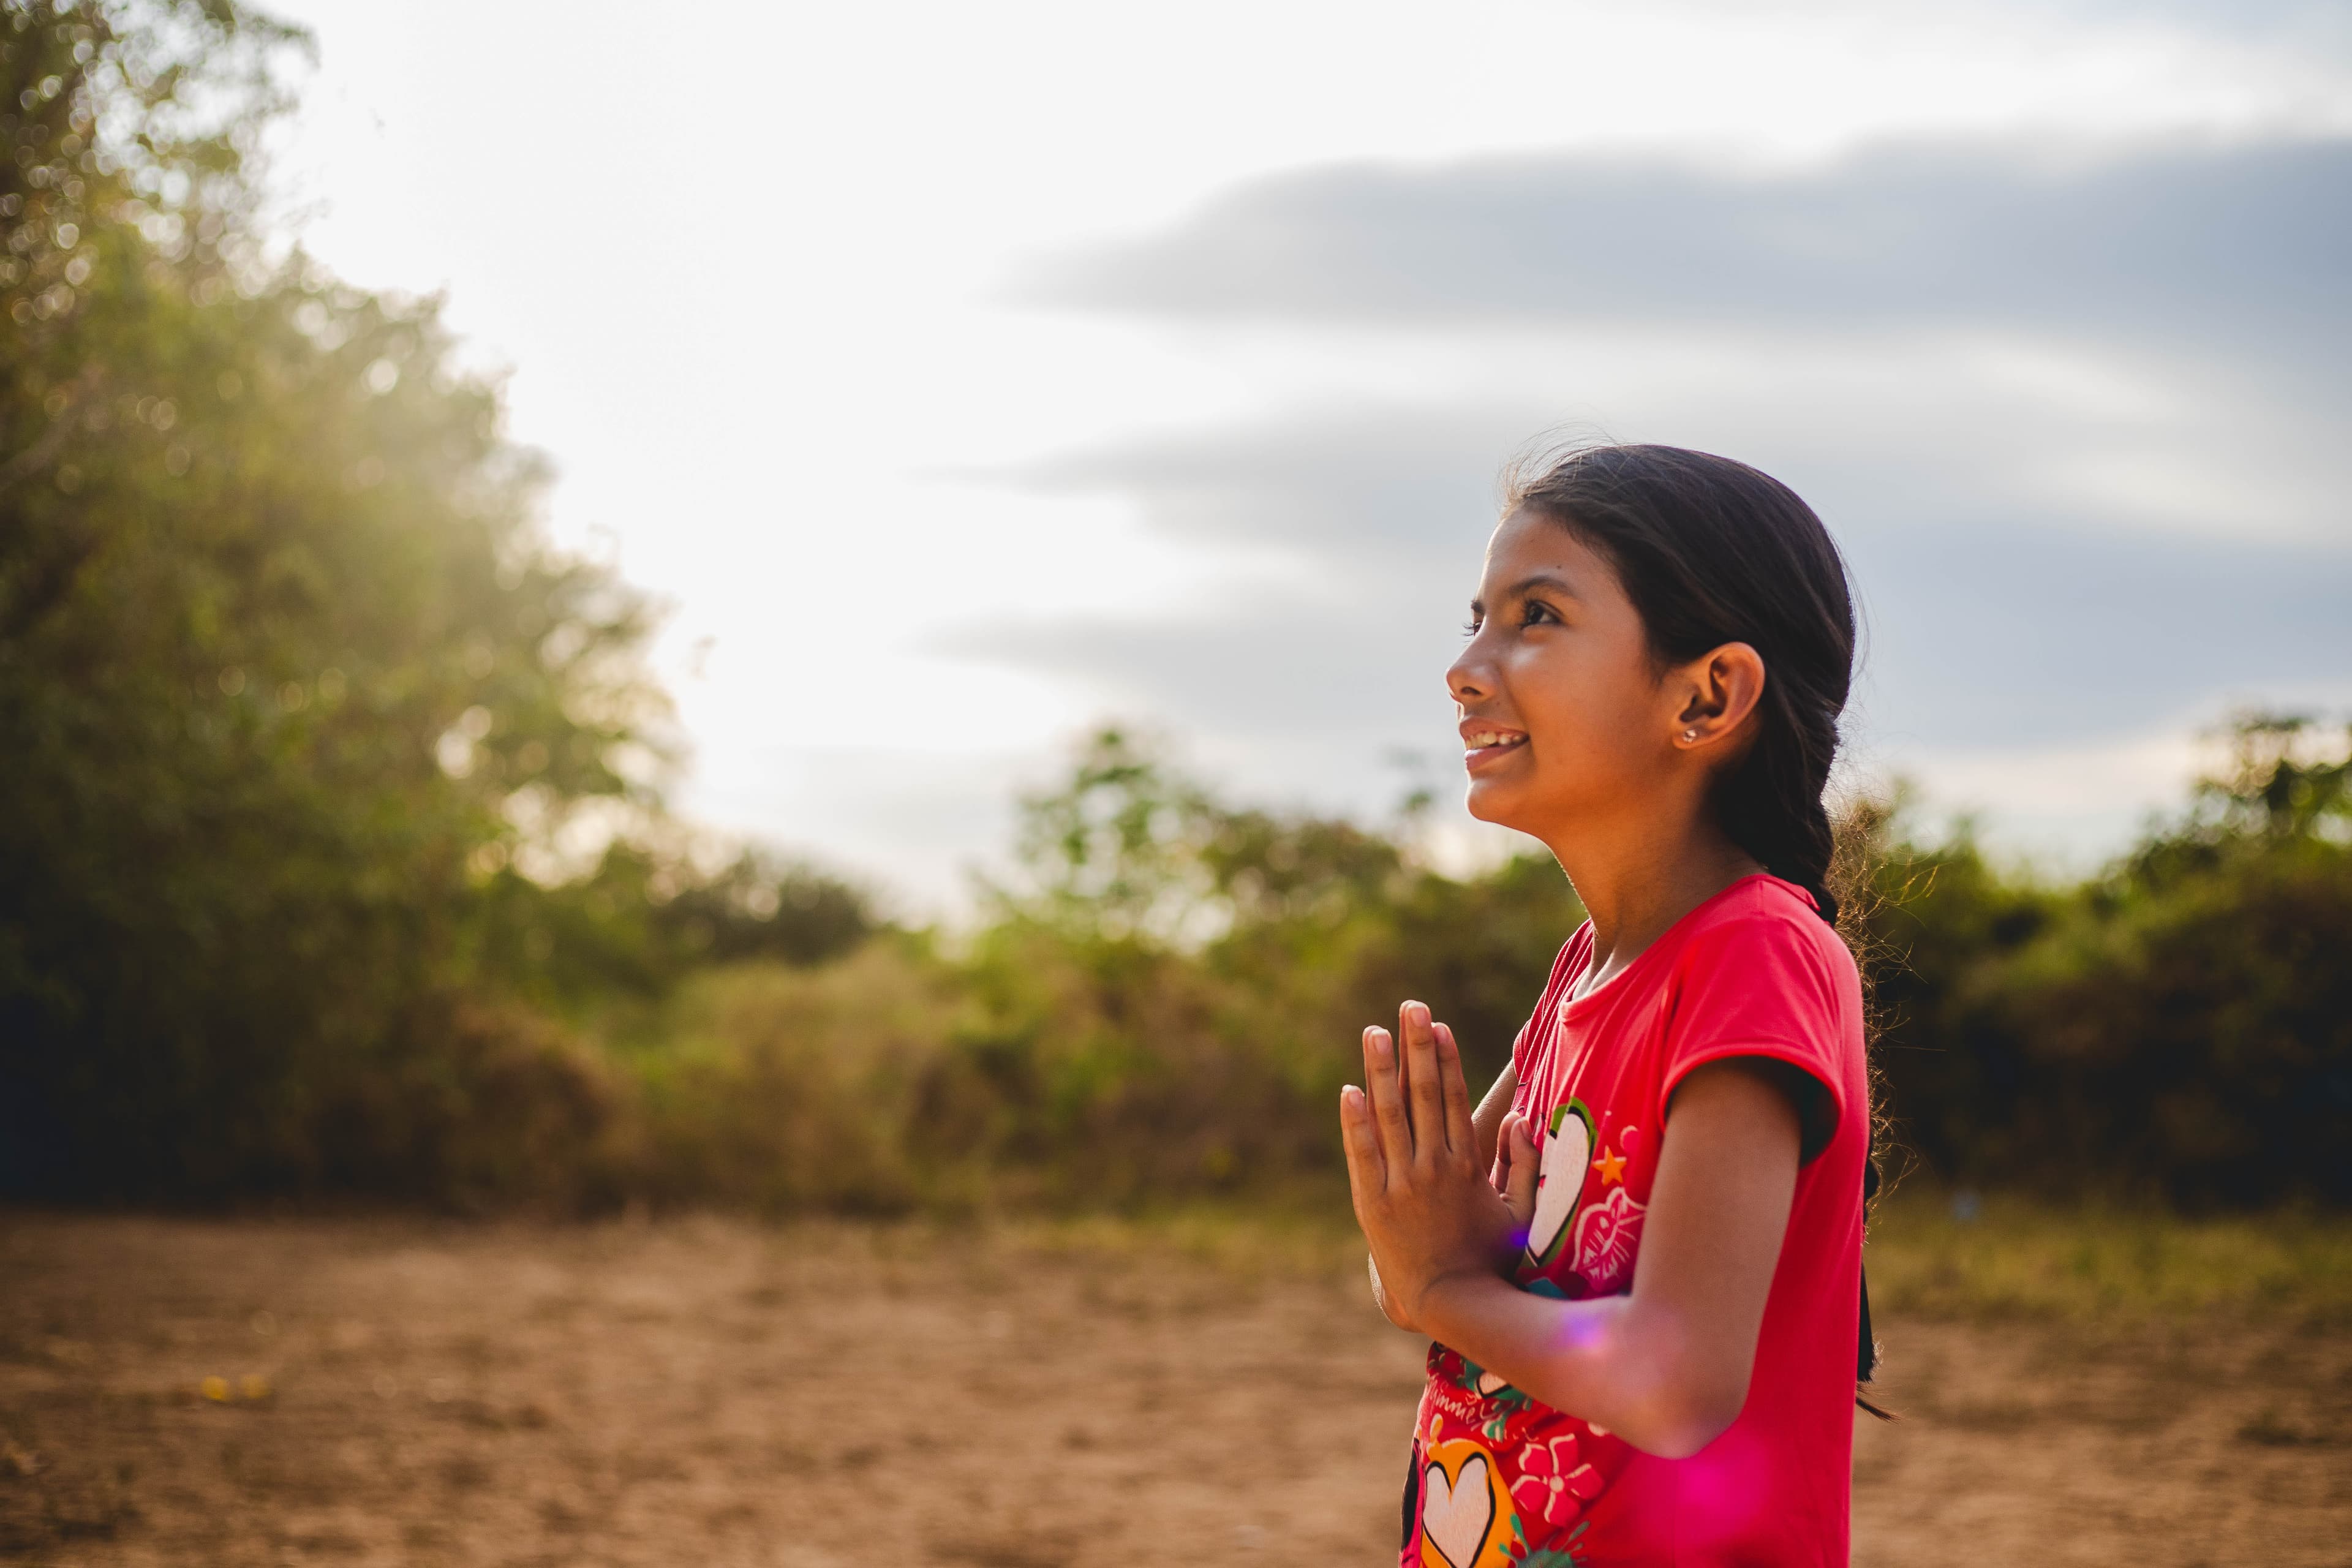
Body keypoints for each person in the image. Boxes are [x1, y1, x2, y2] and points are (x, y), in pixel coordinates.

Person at [1341, 443, 1879, 1568]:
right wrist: (1434, 1266)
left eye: (1536, 615)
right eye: (1476, 616)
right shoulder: (1582, 974)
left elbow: (1672, 1383)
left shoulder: (1758, 955)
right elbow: (1412, 1262)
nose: (1467, 667)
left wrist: (1444, 1284)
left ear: (1707, 694)